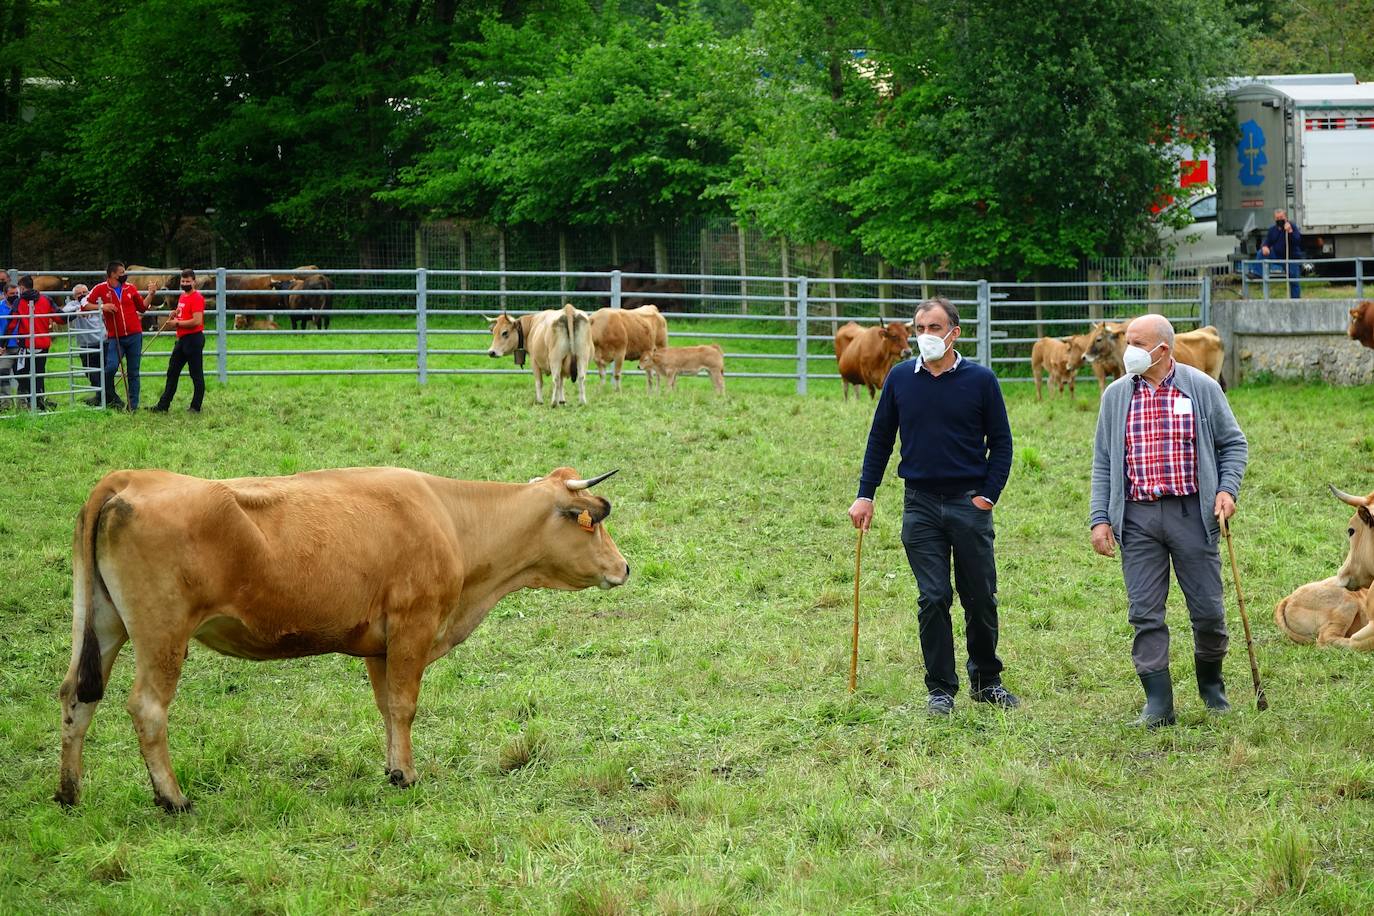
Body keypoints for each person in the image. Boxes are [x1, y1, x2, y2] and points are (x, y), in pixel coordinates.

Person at [848, 297, 1018, 715]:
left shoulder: (981, 381)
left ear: (954, 333)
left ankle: (986, 679)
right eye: (919, 328)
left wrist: (987, 496)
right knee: (933, 597)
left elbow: (1002, 443)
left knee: (979, 596)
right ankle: (940, 688)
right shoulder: (900, 379)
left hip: (968, 503)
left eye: (934, 328)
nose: (925, 336)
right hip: (920, 505)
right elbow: (880, 438)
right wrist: (865, 494)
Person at [1089, 314, 1248, 727]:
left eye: (1137, 343)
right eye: (1128, 342)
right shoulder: (1116, 396)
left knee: (1209, 611)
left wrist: (1227, 490)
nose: (1129, 351)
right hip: (1138, 518)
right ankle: (1158, 704)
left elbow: (1234, 444)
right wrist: (1100, 518)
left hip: (1192, 514)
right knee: (1145, 613)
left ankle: (1212, 688)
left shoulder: (1201, 388)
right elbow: (1103, 462)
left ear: (1163, 348)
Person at [86, 260, 147, 410]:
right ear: (112, 274)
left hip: (134, 335)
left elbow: (143, 307)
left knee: (133, 372)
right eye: (122, 273)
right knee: (111, 367)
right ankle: (110, 397)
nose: (124, 275)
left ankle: (133, 406)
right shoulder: (100, 289)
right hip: (115, 337)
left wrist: (151, 294)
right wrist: (103, 306)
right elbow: (85, 305)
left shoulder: (130, 288)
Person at [150, 268, 206, 413]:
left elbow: (197, 321)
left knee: (196, 374)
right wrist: (175, 314)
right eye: (183, 281)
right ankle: (163, 406)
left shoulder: (197, 298)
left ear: (194, 282)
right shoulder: (183, 297)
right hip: (182, 339)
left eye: (188, 281)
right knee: (172, 372)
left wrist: (177, 324)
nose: (185, 283)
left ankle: (195, 406)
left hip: (193, 339)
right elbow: (183, 315)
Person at [13, 275, 62, 410]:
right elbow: (60, 317)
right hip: (42, 343)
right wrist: (74, 313)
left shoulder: (19, 302)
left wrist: (3, 343)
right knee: (38, 372)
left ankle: (35, 399)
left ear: (22, 287)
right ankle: (39, 400)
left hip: (26, 344)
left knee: (20, 372)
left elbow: (12, 323)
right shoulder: (46, 299)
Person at [61, 283, 104, 403]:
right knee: (90, 372)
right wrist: (79, 310)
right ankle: (101, 395)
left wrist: (88, 306)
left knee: (104, 370)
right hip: (85, 345)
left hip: (102, 341)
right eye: (79, 294)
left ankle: (103, 397)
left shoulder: (96, 302)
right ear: (74, 296)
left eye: (85, 292)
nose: (82, 295)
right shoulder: (73, 305)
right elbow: (63, 312)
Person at [1256, 208, 1303, 298]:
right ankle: (1258, 274)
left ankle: (1296, 301)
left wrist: (1290, 232)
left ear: (1285, 217)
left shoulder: (1292, 226)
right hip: (1277, 255)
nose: (1279, 220)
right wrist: (1265, 247)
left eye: (1281, 217)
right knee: (1260, 253)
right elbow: (1267, 242)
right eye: (1277, 218)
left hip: (1291, 257)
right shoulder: (1272, 230)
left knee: (1294, 280)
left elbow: (1297, 241)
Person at [0, 283, 18, 410]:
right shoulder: (0, 308)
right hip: (4, 348)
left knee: (23, 377)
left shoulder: (22, 307)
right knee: (2, 374)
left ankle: (24, 404)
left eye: (16, 294)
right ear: (5, 294)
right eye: (12, 294)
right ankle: (5, 404)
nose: (15, 296)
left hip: (21, 346)